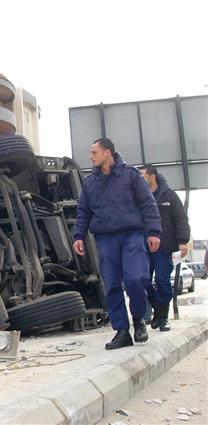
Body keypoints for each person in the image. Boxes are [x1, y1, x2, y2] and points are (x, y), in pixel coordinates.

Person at [72, 138, 161, 350]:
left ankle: (139, 319)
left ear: (108, 153)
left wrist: (154, 232)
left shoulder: (130, 176)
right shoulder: (90, 183)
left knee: (135, 280)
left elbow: (148, 204)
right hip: (105, 239)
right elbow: (83, 211)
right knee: (111, 285)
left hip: (131, 235)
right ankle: (122, 331)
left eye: (94, 152)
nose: (91, 156)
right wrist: (78, 236)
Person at [141, 165, 190, 331]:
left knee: (162, 280)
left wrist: (182, 241)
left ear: (152, 176)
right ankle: (158, 308)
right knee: (141, 281)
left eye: (143, 175)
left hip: (165, 247)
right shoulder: (138, 197)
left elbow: (181, 219)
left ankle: (163, 318)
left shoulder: (169, 195)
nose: (140, 179)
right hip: (144, 248)